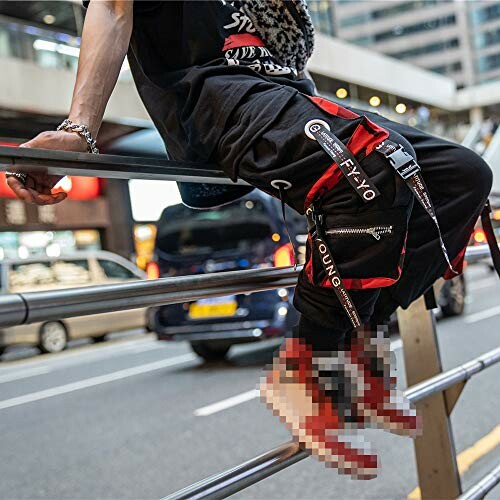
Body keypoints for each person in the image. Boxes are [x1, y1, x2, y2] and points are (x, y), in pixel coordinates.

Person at [6, 1, 492, 480]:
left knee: (462, 175)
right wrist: (80, 129)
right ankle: (309, 372)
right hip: (216, 94)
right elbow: (112, 9)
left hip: (285, 92)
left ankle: (354, 353)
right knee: (370, 164)